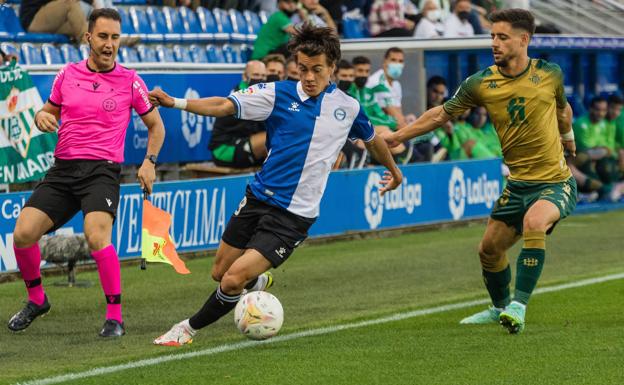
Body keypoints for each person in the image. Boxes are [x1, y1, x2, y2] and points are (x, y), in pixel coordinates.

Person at [149, 24, 402, 346]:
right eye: (303, 69)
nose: (309, 77)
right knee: (219, 272)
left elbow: (372, 140)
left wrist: (394, 171)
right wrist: (176, 102)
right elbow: (225, 105)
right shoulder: (277, 93)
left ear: (333, 69)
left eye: (317, 70)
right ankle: (259, 283)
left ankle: (186, 329)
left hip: (293, 216)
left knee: (231, 280)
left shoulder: (348, 108)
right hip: (258, 197)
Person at [384, 9, 577, 334]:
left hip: (555, 182)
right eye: (492, 37)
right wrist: (398, 136)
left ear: (523, 39)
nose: (495, 44)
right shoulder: (482, 83)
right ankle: (499, 307)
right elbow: (440, 115)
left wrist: (569, 139)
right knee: (489, 250)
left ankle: (519, 306)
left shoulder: (549, 74)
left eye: (502, 37)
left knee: (534, 222)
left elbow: (563, 110)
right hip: (517, 185)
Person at [8, 8, 165, 338]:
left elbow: (156, 127)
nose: (109, 44)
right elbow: (46, 112)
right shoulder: (67, 74)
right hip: (63, 169)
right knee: (22, 234)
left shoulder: (130, 80)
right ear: (88, 37)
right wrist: (41, 118)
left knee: (96, 236)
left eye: (115, 38)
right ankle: (37, 299)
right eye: (103, 37)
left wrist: (149, 161)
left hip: (101, 172)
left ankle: (115, 317)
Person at [209, 60, 268, 168]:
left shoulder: (261, 94)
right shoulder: (239, 96)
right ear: (245, 77)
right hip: (224, 149)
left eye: (263, 76)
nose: (260, 79)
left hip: (247, 143)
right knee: (269, 137)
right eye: (256, 75)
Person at [366, 47, 407, 128]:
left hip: (390, 127)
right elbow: (397, 120)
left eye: (400, 61)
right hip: (375, 128)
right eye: (393, 60)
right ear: (385, 62)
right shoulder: (378, 83)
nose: (397, 64)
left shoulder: (396, 85)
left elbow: (399, 114)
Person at [19, 0, 88, 43]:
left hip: (50, 22)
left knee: (78, 27)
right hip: (32, 19)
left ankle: (87, 51)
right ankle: (88, 46)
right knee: (69, 2)